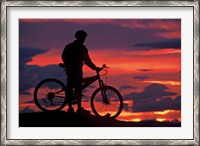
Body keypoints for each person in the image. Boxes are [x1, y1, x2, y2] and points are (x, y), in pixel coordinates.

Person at [62, 30, 100, 114]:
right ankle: (74, 108)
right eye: (83, 38)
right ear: (79, 37)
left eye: (84, 38)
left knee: (75, 88)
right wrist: (95, 68)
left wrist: (94, 67)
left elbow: (87, 60)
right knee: (76, 88)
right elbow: (87, 61)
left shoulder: (71, 46)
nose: (84, 39)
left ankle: (73, 108)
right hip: (73, 70)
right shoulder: (81, 48)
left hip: (74, 70)